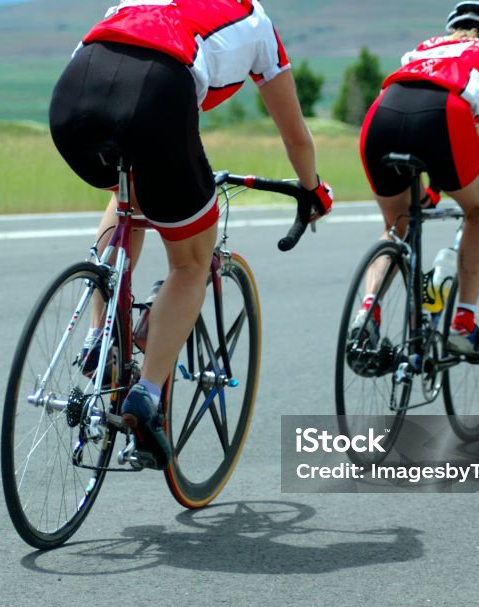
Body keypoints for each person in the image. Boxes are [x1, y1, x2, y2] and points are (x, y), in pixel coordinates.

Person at [49, 0, 333, 469]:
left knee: (126, 200)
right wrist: (312, 188)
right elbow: (296, 135)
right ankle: (146, 397)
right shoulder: (254, 18)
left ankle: (99, 336)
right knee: (192, 262)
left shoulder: (133, 1)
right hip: (158, 94)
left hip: (74, 95)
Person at [358, 1, 479, 359]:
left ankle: (368, 311)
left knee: (396, 223)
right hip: (444, 114)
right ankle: (463, 323)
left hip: (381, 115)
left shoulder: (424, 48)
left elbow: (413, 113)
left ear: (454, 30)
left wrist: (433, 187)